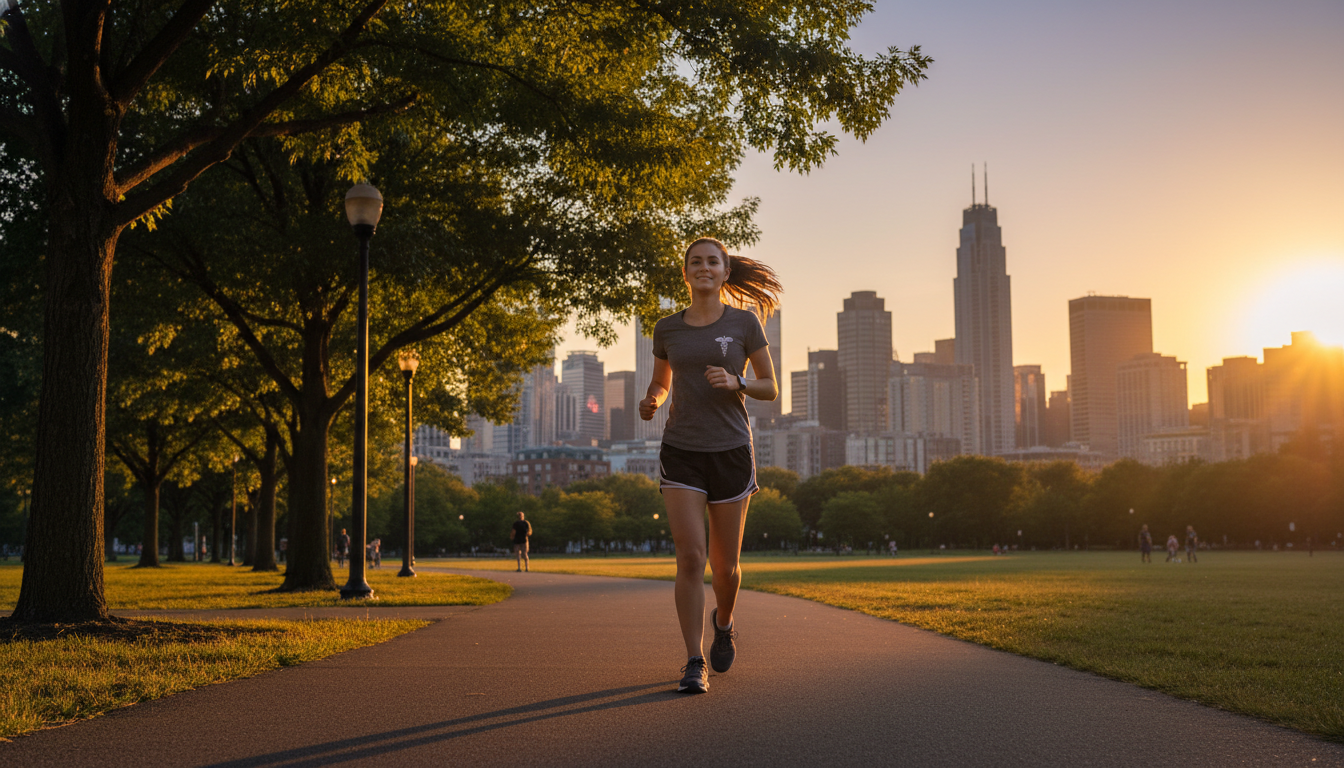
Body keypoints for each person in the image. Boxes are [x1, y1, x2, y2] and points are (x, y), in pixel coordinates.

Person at [639, 236, 781, 695]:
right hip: (681, 450)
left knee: (726, 567)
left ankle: (724, 621)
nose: (704, 267)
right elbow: (662, 382)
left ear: (724, 272)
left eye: (712, 262)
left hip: (731, 450)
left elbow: (770, 388)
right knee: (690, 558)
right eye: (695, 262)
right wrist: (652, 400)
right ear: (686, 273)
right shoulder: (667, 328)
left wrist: (737, 380)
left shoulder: (744, 322)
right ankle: (694, 660)